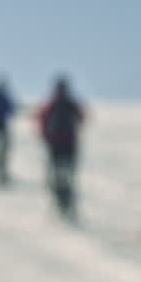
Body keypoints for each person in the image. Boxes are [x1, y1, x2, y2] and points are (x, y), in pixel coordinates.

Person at [36, 76, 86, 219]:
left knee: (58, 175)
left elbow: (42, 120)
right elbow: (82, 118)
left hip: (56, 146)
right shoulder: (71, 103)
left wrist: (45, 138)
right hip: (70, 145)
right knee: (68, 176)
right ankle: (67, 203)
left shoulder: (51, 104)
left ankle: (60, 203)